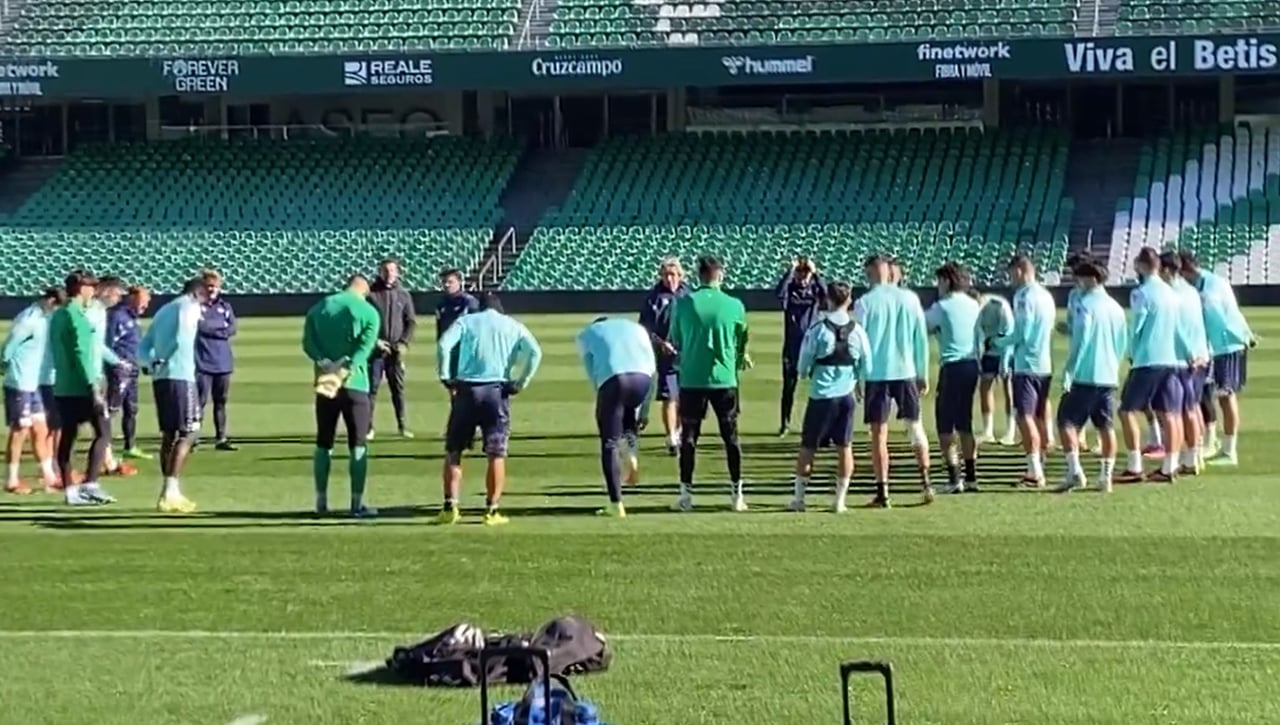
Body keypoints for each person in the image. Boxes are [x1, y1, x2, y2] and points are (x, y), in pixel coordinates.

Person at [436, 293, 542, 526]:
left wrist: (445, 375)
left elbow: (444, 345)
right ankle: (492, 510)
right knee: (496, 452)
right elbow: (535, 352)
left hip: (466, 389)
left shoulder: (466, 321)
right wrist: (521, 382)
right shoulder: (513, 325)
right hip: (496, 391)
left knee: (454, 450)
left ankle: (450, 507)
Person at [668, 255, 751, 512]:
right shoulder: (735, 305)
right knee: (731, 437)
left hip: (692, 378)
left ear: (698, 275)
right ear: (720, 275)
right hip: (725, 379)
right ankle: (737, 495)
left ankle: (685, 496)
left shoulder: (683, 304)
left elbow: (676, 339)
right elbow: (741, 342)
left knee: (690, 438)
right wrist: (737, 359)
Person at [853, 254, 931, 507]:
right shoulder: (910, 299)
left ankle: (883, 492)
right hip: (906, 371)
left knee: (878, 435)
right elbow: (921, 339)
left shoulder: (864, 302)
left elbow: (860, 345)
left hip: (877, 375)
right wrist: (923, 373)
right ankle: (926, 484)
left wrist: (858, 377)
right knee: (915, 427)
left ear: (869, 273)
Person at [301, 274, 381, 517]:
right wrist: (345, 367)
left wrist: (325, 362)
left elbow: (308, 343)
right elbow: (364, 349)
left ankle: (321, 502)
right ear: (364, 288)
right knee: (358, 444)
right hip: (355, 383)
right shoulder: (368, 312)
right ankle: (356, 504)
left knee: (324, 442)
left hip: (326, 384)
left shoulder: (320, 307)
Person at [787, 282, 870, 513]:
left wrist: (809, 372)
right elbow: (867, 364)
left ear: (828, 300)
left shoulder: (818, 330)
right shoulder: (858, 331)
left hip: (821, 395)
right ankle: (839, 500)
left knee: (808, 447)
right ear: (849, 300)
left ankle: (799, 499)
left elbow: (803, 366)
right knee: (845, 447)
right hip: (846, 396)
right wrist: (860, 384)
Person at [1115, 247, 1188, 484]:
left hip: (1148, 359)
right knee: (1170, 413)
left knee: (1126, 411)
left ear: (1142, 265)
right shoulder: (1171, 293)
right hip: (1171, 359)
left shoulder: (1141, 293)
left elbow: (1137, 327)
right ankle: (1170, 466)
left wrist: (1131, 353)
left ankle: (1135, 465)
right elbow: (1179, 329)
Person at [1055, 260, 1127, 493]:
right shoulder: (1116, 307)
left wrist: (1070, 369)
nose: (1078, 283)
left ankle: (1075, 470)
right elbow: (1121, 342)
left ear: (1092, 279)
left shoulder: (1084, 304)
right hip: (1108, 375)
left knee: (1066, 421)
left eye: (1081, 278)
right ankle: (1106, 476)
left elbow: (1082, 339)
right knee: (1105, 426)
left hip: (1085, 375)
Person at [139, 278, 208, 514]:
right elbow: (181, 337)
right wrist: (166, 358)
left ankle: (169, 490)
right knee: (189, 432)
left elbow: (144, 343)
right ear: (197, 292)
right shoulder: (189, 307)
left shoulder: (163, 309)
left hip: (161, 378)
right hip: (181, 375)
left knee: (169, 433)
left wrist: (149, 363)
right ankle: (170, 490)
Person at [1180, 251, 1254, 466]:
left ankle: (1230, 451)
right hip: (1220, 346)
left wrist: (1242, 336)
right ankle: (1215, 444)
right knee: (1212, 394)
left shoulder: (1210, 287)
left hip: (1227, 346)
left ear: (1187, 271)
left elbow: (1217, 319)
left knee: (1225, 395)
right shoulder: (1204, 284)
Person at [577, 316, 656, 518]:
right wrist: (645, 410)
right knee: (629, 415)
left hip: (615, 379)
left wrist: (603, 395)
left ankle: (615, 503)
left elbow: (591, 368)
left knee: (609, 442)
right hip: (643, 379)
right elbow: (652, 367)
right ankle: (631, 453)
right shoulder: (637, 328)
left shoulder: (588, 333)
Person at [48, 271, 115, 506]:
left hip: (63, 386)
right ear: (81, 288)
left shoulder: (58, 315)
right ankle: (90, 484)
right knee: (103, 432)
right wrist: (93, 386)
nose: (94, 291)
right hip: (82, 386)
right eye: (91, 287)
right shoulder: (77, 316)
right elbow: (82, 354)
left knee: (68, 436)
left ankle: (70, 490)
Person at [995, 255, 1056, 487]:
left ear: (1020, 270)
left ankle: (1034, 471)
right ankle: (1040, 461)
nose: (1010, 279)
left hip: (1027, 364)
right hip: (1044, 363)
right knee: (1039, 414)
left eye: (1011, 273)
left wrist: (998, 342)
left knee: (1025, 416)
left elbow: (1022, 334)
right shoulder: (1047, 296)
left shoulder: (1023, 297)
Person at [926, 263, 982, 494]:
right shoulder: (974, 304)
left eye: (939, 281)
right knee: (965, 422)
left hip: (952, 367)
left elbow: (922, 326)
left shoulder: (942, 306)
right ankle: (971, 476)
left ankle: (954, 478)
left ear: (947, 281)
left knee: (945, 425)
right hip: (971, 365)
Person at [2, 287, 64, 494]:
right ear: (50, 301)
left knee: (40, 428)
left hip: (36, 381)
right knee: (20, 430)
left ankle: (48, 476)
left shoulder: (44, 319)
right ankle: (11, 480)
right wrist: (5, 366)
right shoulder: (28, 319)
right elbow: (9, 347)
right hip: (21, 382)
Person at [1161, 252, 1210, 475]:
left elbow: (1176, 328)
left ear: (1167, 270)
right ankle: (1194, 456)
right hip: (1201, 354)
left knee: (1178, 410)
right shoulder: (1191, 291)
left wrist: (1189, 353)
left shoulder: (1170, 294)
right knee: (1193, 407)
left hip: (1183, 357)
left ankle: (1184, 459)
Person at [638, 257, 689, 455]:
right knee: (670, 396)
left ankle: (680, 430)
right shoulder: (654, 298)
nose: (670, 279)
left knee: (686, 397)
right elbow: (645, 328)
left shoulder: (688, 295)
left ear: (680, 276)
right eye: (666, 275)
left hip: (687, 354)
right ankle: (671, 439)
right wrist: (661, 343)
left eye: (673, 275)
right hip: (665, 355)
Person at [87, 276, 137, 479]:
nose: (119, 299)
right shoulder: (93, 312)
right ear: (107, 291)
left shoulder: (98, 311)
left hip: (94, 372)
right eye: (117, 294)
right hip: (87, 373)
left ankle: (109, 462)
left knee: (102, 421)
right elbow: (94, 343)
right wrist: (116, 362)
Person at [775, 256, 827, 437]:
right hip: (792, 347)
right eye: (800, 273)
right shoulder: (790, 290)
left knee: (820, 386)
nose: (802, 277)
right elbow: (779, 294)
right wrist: (790, 272)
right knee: (788, 389)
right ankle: (785, 424)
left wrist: (816, 273)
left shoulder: (814, 290)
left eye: (805, 274)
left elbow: (826, 294)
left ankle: (821, 427)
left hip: (813, 347)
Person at [368, 258, 417, 439]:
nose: (389, 274)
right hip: (376, 351)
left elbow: (410, 322)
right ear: (380, 272)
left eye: (392, 270)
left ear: (398, 272)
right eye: (385, 270)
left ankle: (402, 425)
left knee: (398, 389)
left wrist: (404, 343)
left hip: (396, 351)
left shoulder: (403, 295)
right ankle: (368, 427)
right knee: (371, 389)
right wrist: (375, 341)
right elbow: (364, 322)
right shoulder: (371, 294)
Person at [107, 285, 151, 461]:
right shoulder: (117, 316)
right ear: (132, 298)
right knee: (112, 408)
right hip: (119, 369)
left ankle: (130, 446)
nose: (145, 306)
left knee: (131, 408)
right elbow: (108, 343)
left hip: (132, 368)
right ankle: (105, 447)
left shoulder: (132, 317)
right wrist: (114, 364)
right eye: (143, 301)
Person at [1056, 252, 1094, 453]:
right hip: (1077, 346)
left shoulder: (1093, 296)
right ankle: (1079, 434)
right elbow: (1074, 323)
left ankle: (1083, 434)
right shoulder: (1073, 295)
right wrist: (1067, 328)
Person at [196, 269, 237, 451]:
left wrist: (215, 330)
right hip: (202, 361)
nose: (211, 289)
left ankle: (221, 437)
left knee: (221, 401)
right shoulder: (197, 306)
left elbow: (232, 328)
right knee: (199, 402)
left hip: (222, 362)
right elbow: (201, 327)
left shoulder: (225, 307)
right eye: (208, 286)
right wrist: (219, 329)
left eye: (214, 286)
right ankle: (193, 437)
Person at [976, 290, 1017, 446]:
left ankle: (1010, 432)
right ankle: (988, 431)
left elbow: (1009, 332)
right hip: (989, 350)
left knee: (1008, 388)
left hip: (1005, 349)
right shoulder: (976, 311)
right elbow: (977, 334)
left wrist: (1005, 362)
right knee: (985, 387)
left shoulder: (1000, 306)